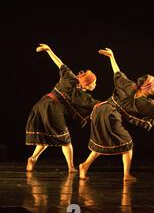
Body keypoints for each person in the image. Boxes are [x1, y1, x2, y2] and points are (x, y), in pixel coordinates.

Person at [79, 48, 154, 181]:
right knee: (127, 144)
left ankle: (84, 166)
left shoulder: (129, 85)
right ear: (148, 88)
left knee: (104, 141)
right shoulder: (149, 104)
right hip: (109, 115)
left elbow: (116, 72)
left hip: (100, 110)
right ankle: (126, 176)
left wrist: (111, 56)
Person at [26, 44, 99, 173]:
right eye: (93, 83)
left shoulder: (70, 76)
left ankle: (33, 158)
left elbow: (59, 63)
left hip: (42, 104)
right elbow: (95, 104)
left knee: (47, 135)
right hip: (53, 108)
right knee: (65, 140)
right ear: (86, 84)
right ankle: (71, 167)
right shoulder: (80, 95)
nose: (95, 85)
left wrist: (49, 50)